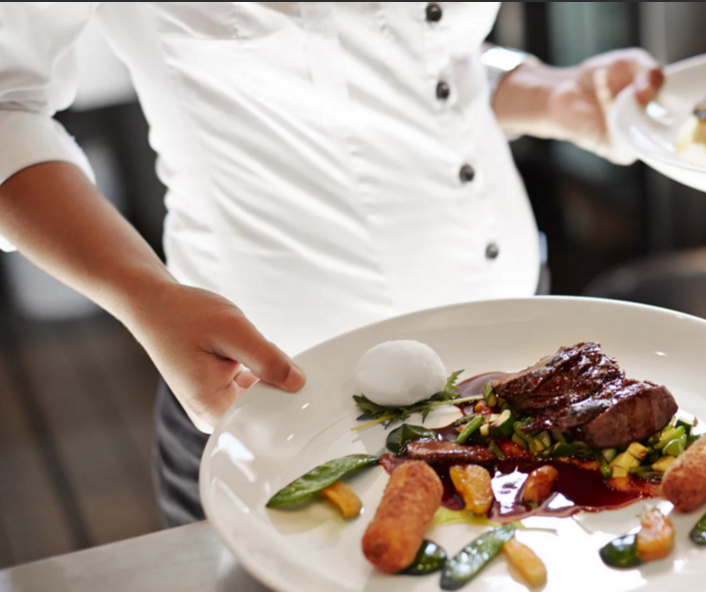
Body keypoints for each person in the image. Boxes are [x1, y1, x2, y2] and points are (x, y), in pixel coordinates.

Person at [0, 3, 662, 526]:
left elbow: (418, 47)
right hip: (276, 391)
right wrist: (145, 295)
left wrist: (545, 91)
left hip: (517, 345)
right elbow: (7, 107)